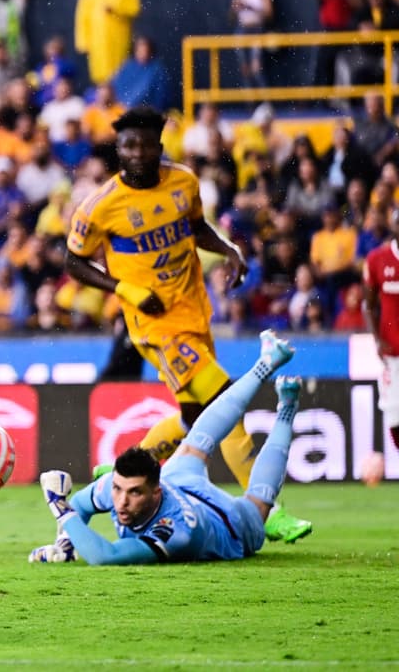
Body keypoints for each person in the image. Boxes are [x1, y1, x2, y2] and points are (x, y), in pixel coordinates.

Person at [65, 106, 312, 543]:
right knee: (224, 399)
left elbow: (195, 228)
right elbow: (73, 261)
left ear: (158, 147)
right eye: (128, 146)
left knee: (193, 416)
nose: (137, 153)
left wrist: (229, 249)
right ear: (119, 150)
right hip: (153, 325)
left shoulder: (183, 182)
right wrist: (124, 288)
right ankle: (266, 510)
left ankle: (120, 470)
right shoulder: (101, 205)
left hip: (194, 312)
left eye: (145, 145)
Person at [29, 331, 301, 564]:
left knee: (258, 506)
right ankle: (266, 363)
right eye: (118, 489)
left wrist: (58, 505)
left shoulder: (176, 530)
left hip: (227, 523)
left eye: (134, 493)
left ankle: (287, 408)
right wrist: (65, 544)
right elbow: (80, 504)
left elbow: (106, 556)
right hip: (178, 478)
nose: (122, 501)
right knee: (194, 445)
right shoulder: (117, 485)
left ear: (154, 491)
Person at [361, 210, 399, 455]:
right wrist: (376, 339)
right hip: (393, 352)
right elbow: (368, 305)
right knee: (394, 416)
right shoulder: (377, 259)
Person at [73, 0, 140, 85]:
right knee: (100, 77)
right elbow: (82, 18)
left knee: (120, 75)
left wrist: (116, 10)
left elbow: (134, 10)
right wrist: (83, 42)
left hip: (119, 40)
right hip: (97, 42)